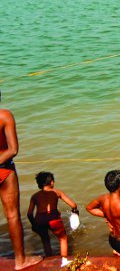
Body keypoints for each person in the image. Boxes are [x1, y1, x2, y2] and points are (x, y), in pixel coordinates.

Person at [0, 99, 44, 270]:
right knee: (12, 215)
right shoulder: (4, 115)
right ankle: (20, 260)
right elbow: (13, 149)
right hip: (4, 169)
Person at [27, 172, 78, 267]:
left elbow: (29, 214)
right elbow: (73, 205)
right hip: (53, 218)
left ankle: (49, 260)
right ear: (52, 182)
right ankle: (64, 260)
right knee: (63, 238)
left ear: (39, 184)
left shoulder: (34, 196)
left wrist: (34, 224)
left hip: (40, 220)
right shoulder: (57, 192)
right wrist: (75, 211)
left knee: (45, 240)